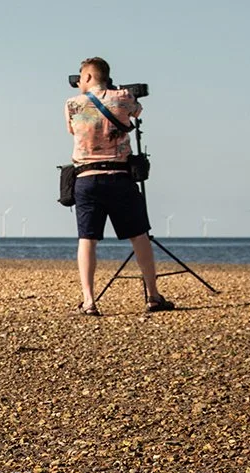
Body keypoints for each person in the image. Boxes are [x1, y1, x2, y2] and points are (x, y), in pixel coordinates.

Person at [66, 56, 173, 316]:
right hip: (119, 177)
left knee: (87, 239)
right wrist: (117, 94)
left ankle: (89, 301)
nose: (78, 81)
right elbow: (137, 114)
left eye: (81, 76)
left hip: (86, 178)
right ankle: (153, 295)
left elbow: (72, 131)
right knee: (139, 236)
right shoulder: (123, 98)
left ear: (89, 76)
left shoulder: (72, 104)